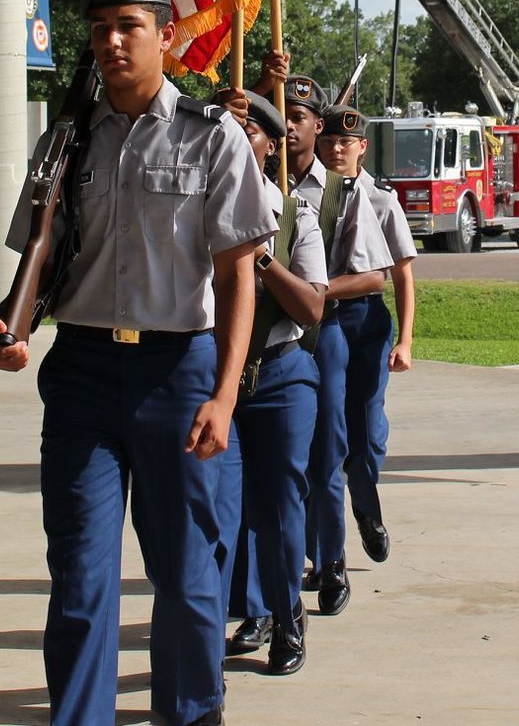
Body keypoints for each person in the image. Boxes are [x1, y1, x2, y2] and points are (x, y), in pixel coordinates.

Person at [0, 0, 275, 726]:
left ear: (165, 36)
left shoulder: (211, 138)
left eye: (129, 26)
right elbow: (38, 257)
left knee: (185, 572)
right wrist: (10, 326)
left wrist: (223, 392)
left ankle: (189, 711)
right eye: (100, 27)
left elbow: (239, 274)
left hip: (177, 369)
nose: (111, 41)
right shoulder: (64, 142)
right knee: (79, 573)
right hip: (78, 371)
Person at [214, 89, 324, 677]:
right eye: (227, 130)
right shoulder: (192, 212)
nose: (237, 140)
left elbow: (311, 308)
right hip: (212, 382)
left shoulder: (294, 216)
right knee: (216, 510)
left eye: (249, 132)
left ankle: (287, 615)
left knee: (278, 507)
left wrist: (259, 258)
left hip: (279, 376)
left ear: (268, 145)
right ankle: (230, 618)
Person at [308, 104, 417, 615]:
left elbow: (399, 275)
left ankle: (367, 510)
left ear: (362, 147)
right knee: (327, 439)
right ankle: (325, 555)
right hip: (321, 322)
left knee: (367, 436)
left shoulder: (381, 199)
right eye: (328, 140)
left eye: (345, 143)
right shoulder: (303, 194)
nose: (336, 149)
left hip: (367, 322)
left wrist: (406, 340)